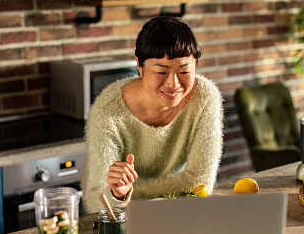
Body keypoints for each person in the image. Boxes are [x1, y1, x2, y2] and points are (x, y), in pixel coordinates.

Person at [81, 16, 224, 214]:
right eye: (161, 72)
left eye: (184, 72)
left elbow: (200, 182)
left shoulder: (204, 97)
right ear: (139, 66)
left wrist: (132, 193)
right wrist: (119, 194)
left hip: (177, 210)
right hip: (125, 215)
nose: (173, 84)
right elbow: (97, 199)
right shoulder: (108, 110)